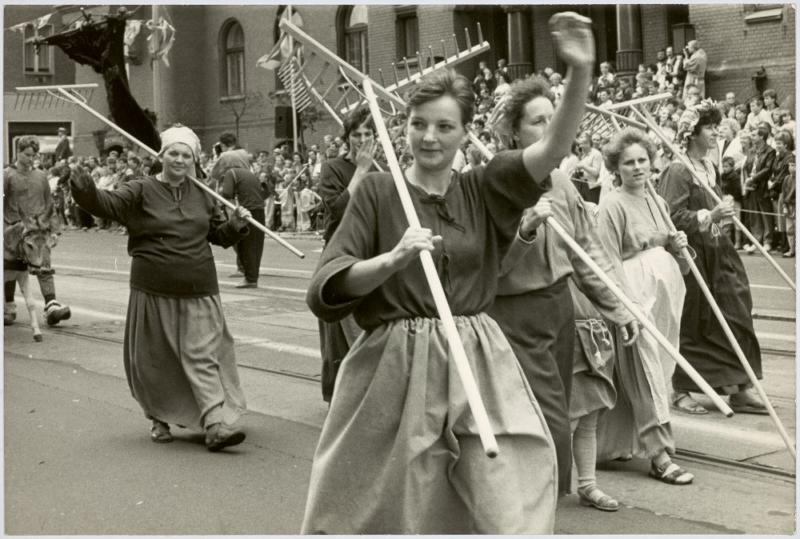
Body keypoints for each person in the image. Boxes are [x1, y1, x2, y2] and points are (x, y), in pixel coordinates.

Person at [303, 13, 598, 532]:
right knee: (394, 509)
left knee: (506, 500)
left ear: (465, 132)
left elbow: (553, 147)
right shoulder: (377, 192)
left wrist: (579, 72)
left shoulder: (484, 187)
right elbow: (328, 286)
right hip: (395, 366)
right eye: (418, 124)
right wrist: (390, 261)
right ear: (405, 126)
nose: (429, 138)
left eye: (444, 126)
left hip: (478, 359)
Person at [486, 75, 637, 498]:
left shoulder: (564, 183)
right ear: (514, 129)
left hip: (560, 311)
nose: (548, 129)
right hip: (514, 316)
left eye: (553, 120)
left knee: (560, 411)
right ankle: (522, 507)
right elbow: (490, 268)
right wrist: (526, 230)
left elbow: (588, 258)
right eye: (537, 122)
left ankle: (535, 507)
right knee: (538, 422)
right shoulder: (496, 180)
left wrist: (618, 308)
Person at [69, 125, 252, 450]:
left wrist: (236, 226)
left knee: (203, 355)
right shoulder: (140, 190)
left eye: (187, 155)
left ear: (194, 160)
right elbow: (105, 204)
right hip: (153, 288)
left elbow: (218, 237)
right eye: (174, 153)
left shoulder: (205, 194)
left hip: (199, 286)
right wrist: (84, 191)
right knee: (155, 359)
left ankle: (214, 424)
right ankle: (158, 417)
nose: (180, 160)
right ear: (162, 156)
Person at [596, 128, 694, 485]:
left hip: (664, 295)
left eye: (642, 161)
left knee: (659, 368)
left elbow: (677, 262)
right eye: (628, 162)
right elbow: (607, 262)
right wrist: (624, 307)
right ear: (616, 167)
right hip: (633, 295)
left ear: (652, 164)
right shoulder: (611, 206)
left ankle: (617, 443)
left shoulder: (658, 202)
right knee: (644, 370)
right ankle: (658, 453)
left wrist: (678, 245)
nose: (637, 168)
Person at [658, 103, 766, 415]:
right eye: (709, 128)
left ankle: (740, 386)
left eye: (716, 127)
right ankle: (681, 388)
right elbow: (671, 216)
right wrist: (710, 215)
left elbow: (714, 215)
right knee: (696, 321)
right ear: (692, 134)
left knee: (737, 312)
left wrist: (722, 217)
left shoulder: (709, 166)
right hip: (693, 256)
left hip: (719, 251)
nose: (715, 132)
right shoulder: (678, 169)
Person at [316, 105, 377, 403]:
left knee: (372, 325)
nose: (362, 139)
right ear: (347, 137)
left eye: (368, 133)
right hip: (340, 253)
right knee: (339, 331)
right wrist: (361, 171)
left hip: (370, 253)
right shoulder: (333, 168)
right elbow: (337, 210)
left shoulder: (384, 169)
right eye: (357, 134)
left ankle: (368, 391)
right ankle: (341, 395)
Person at [4, 136, 72, 327]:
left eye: (33, 155)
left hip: (39, 230)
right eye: (27, 155)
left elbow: (49, 204)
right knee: (10, 267)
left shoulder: (41, 176)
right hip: (14, 228)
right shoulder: (7, 175)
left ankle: (51, 306)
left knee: (43, 264)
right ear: (18, 152)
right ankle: (8, 306)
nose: (30, 159)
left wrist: (54, 230)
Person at [218, 150, 266, 288]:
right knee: (256, 245)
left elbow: (227, 193)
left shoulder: (231, 173)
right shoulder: (249, 173)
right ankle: (252, 277)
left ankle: (250, 278)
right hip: (259, 209)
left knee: (245, 244)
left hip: (246, 211)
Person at [743, 123, 777, 253]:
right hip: (751, 187)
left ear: (761, 137)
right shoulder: (751, 150)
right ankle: (756, 241)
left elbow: (768, 169)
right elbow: (747, 165)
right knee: (754, 215)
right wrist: (748, 180)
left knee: (765, 214)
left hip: (763, 187)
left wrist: (753, 178)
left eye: (754, 135)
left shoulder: (770, 151)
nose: (751, 137)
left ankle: (767, 241)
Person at [781, 152, 796, 257]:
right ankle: (792, 249)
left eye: (794, 165)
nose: (791, 168)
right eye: (790, 165)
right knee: (789, 230)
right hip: (788, 206)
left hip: (795, 206)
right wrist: (784, 207)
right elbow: (783, 194)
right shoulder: (786, 179)